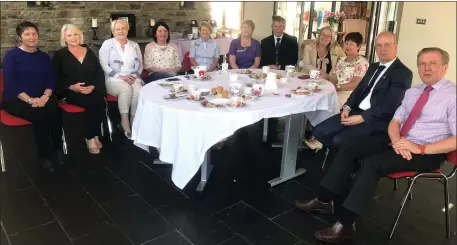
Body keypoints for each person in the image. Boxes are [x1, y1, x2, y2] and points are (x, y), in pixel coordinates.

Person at [294, 47, 456, 243]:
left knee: (372, 163)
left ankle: (345, 225)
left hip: (427, 152)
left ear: (445, 67)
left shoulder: (452, 96)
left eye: (432, 64)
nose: (426, 68)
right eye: (422, 64)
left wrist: (419, 148)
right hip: (400, 142)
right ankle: (324, 200)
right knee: (350, 146)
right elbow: (395, 122)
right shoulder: (413, 92)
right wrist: (397, 142)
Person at [312, 31, 412, 167]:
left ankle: (344, 164)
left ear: (396, 46)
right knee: (319, 131)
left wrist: (362, 117)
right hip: (355, 111)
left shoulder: (403, 72)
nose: (383, 49)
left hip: (376, 119)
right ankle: (347, 160)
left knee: (338, 139)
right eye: (379, 45)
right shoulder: (374, 67)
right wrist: (347, 107)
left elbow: (391, 105)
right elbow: (359, 89)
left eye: (387, 45)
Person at [2, 21, 63, 171]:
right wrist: (30, 100)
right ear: (20, 37)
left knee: (54, 110)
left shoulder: (43, 56)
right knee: (40, 115)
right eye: (27, 34)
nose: (31, 37)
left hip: (42, 96)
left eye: (34, 34)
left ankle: (58, 148)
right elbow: (10, 82)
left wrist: (45, 96)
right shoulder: (11, 55)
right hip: (16, 99)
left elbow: (51, 79)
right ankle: (45, 156)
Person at [304, 32, 369, 150]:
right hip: (334, 89)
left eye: (352, 44)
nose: (348, 46)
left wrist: (337, 87)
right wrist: (327, 81)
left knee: (324, 104)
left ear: (358, 46)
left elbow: (356, 84)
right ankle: (315, 131)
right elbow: (333, 76)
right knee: (314, 98)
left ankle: (320, 136)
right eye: (346, 43)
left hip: (350, 94)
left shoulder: (361, 62)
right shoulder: (342, 60)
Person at [53, 24, 106, 154]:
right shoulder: (60, 55)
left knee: (99, 100)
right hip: (70, 91)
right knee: (91, 102)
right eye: (69, 35)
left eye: (75, 34)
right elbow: (55, 77)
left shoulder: (89, 51)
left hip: (90, 89)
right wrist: (72, 87)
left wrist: (93, 87)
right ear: (64, 38)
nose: (73, 37)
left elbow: (99, 73)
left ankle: (93, 135)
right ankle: (90, 137)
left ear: (80, 35)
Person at [99, 19, 143, 139]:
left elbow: (140, 64)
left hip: (132, 77)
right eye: (117, 29)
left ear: (127, 30)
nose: (121, 31)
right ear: (113, 31)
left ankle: (134, 119)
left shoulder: (134, 45)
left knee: (138, 89)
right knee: (126, 89)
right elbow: (104, 65)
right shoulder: (107, 44)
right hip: (113, 78)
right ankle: (124, 121)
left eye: (123, 28)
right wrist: (120, 76)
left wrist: (134, 76)